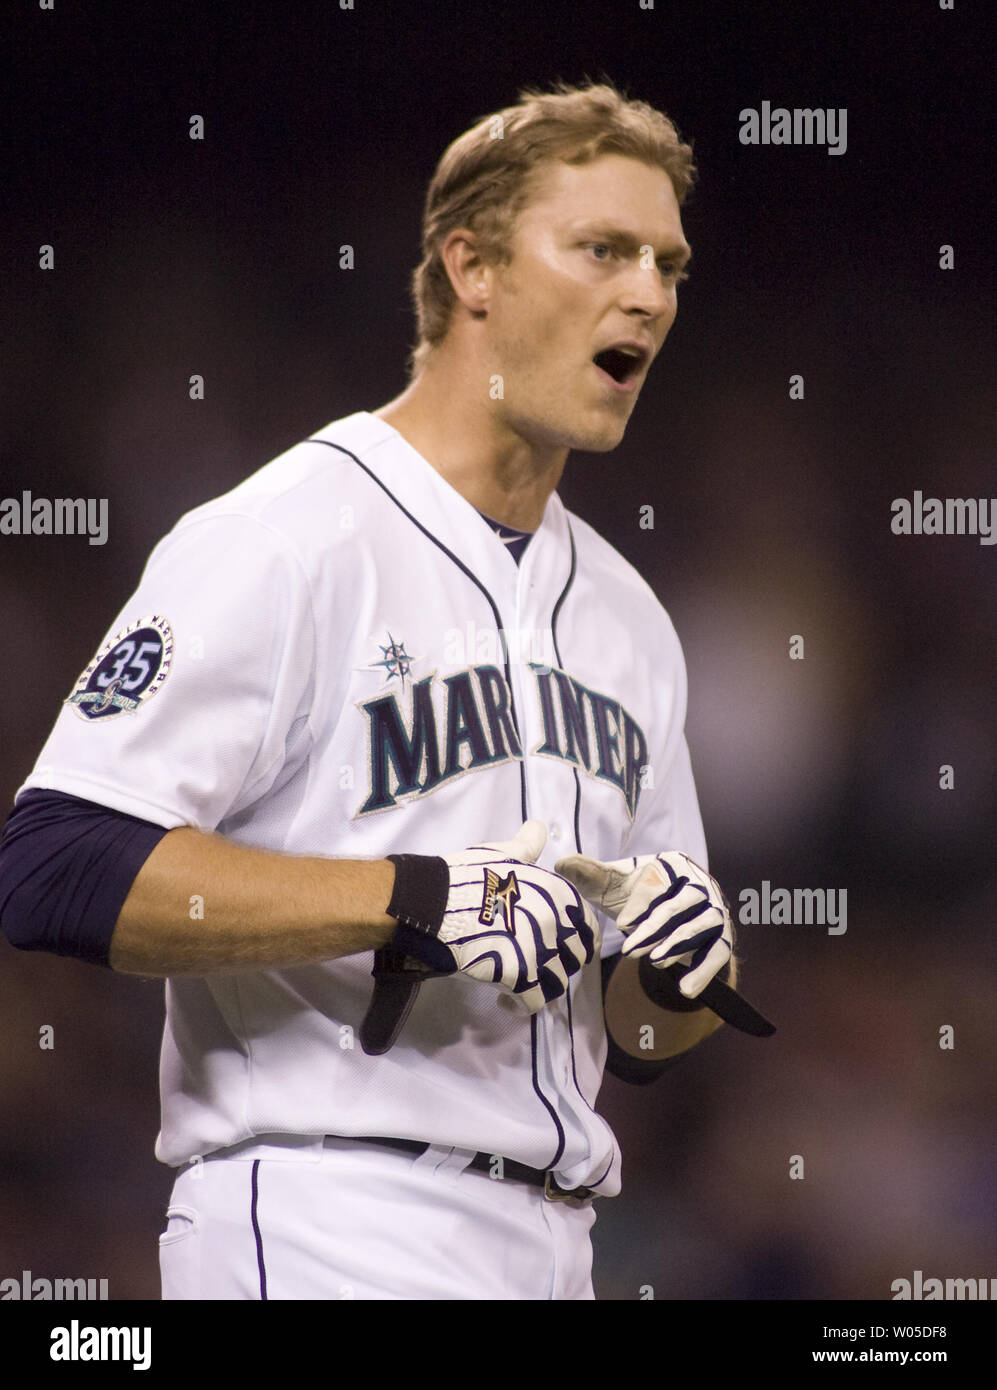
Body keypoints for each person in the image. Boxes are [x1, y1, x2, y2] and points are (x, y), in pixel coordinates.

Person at [0, 80, 771, 1301]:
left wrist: (673, 980)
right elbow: (54, 863)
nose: (650, 294)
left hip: (557, 1242)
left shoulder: (631, 620)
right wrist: (408, 896)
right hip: (318, 1212)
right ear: (471, 269)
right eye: (603, 249)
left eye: (668, 263)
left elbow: (632, 1044)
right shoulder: (288, 535)